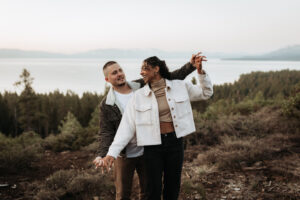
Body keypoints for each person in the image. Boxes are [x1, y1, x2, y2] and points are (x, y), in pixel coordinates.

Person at [100, 53, 213, 200]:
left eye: (145, 68)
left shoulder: (180, 86)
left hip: (175, 143)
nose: (141, 72)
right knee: (152, 189)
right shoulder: (138, 96)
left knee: (172, 186)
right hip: (152, 146)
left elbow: (206, 93)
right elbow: (126, 127)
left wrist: (199, 72)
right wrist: (111, 153)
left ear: (156, 69)